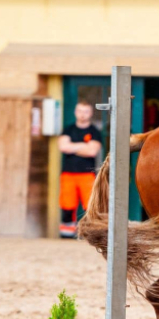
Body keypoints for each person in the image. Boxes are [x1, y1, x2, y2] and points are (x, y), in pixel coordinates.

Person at [58, 101, 103, 238]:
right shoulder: (68, 129)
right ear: (75, 112)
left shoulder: (94, 131)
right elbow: (63, 147)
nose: (82, 114)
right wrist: (84, 145)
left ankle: (88, 235)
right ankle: (66, 235)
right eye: (80, 111)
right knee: (67, 205)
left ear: (91, 113)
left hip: (87, 174)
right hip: (68, 174)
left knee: (89, 206)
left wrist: (72, 146)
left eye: (86, 111)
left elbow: (92, 152)